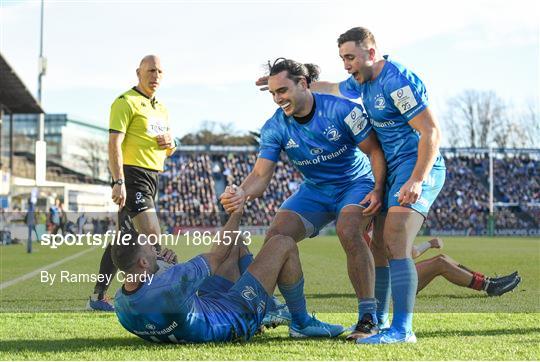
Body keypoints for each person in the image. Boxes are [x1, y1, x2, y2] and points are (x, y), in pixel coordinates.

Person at [258, 28, 446, 344]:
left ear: (371, 52)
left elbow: (431, 132)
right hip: (393, 168)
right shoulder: (362, 81)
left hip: (415, 165)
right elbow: (329, 86)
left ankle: (402, 330)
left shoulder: (397, 80)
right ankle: (380, 322)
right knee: (381, 247)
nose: (346, 65)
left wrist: (417, 178)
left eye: (350, 57)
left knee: (396, 237)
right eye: (343, 58)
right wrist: (284, 85)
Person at [221, 58, 386, 339]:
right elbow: (261, 174)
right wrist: (242, 192)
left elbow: (374, 151)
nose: (277, 99)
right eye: (273, 93)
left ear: (303, 84)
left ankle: (368, 317)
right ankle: (298, 320)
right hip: (316, 190)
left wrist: (378, 188)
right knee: (276, 235)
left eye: (282, 91)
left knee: (348, 229)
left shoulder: (341, 109)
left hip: (355, 183)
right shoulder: (275, 126)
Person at [112, 189, 343, 343]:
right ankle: (301, 323)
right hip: (234, 318)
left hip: (204, 307)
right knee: (282, 243)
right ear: (142, 262)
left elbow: (163, 297)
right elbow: (216, 255)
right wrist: (236, 213)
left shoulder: (122, 304)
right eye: (150, 248)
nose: (155, 248)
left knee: (237, 243)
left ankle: (270, 306)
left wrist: (165, 268)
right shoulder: (171, 284)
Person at [87, 55, 177, 311]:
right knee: (153, 237)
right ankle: (154, 297)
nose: (155, 76)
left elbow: (168, 148)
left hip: (153, 176)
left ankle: (97, 297)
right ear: (138, 72)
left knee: (123, 241)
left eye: (160, 71)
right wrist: (118, 181)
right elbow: (114, 143)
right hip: (133, 175)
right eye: (150, 70)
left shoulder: (161, 108)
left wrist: (172, 143)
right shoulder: (125, 102)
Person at [409, 238, 521, 296]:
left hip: (396, 276)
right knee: (440, 263)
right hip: (395, 281)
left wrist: (430, 243)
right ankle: (490, 286)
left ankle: (488, 281)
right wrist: (429, 244)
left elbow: (407, 252)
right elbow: (409, 253)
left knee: (442, 258)